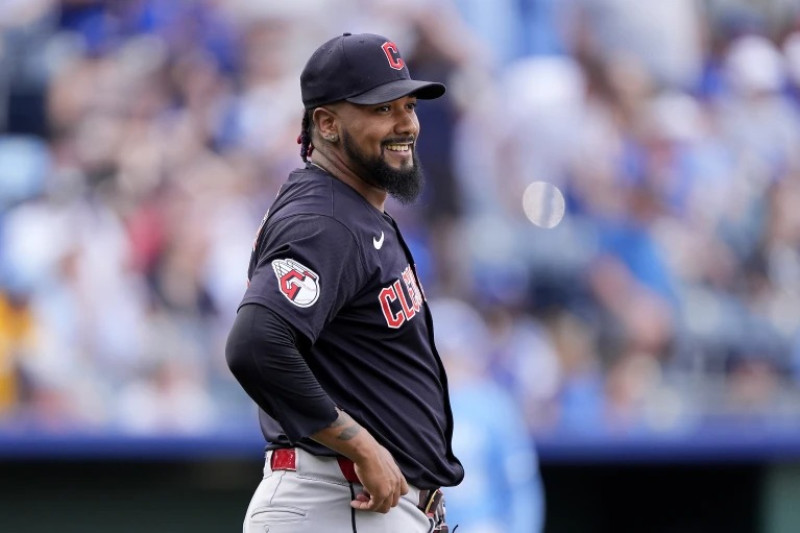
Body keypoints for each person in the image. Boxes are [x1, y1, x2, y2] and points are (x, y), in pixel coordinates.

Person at [225, 32, 464, 533]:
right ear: (328, 124)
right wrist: (358, 443)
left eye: (408, 105)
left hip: (353, 505)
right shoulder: (326, 220)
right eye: (382, 110)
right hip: (336, 499)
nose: (406, 124)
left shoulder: (350, 212)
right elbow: (255, 343)